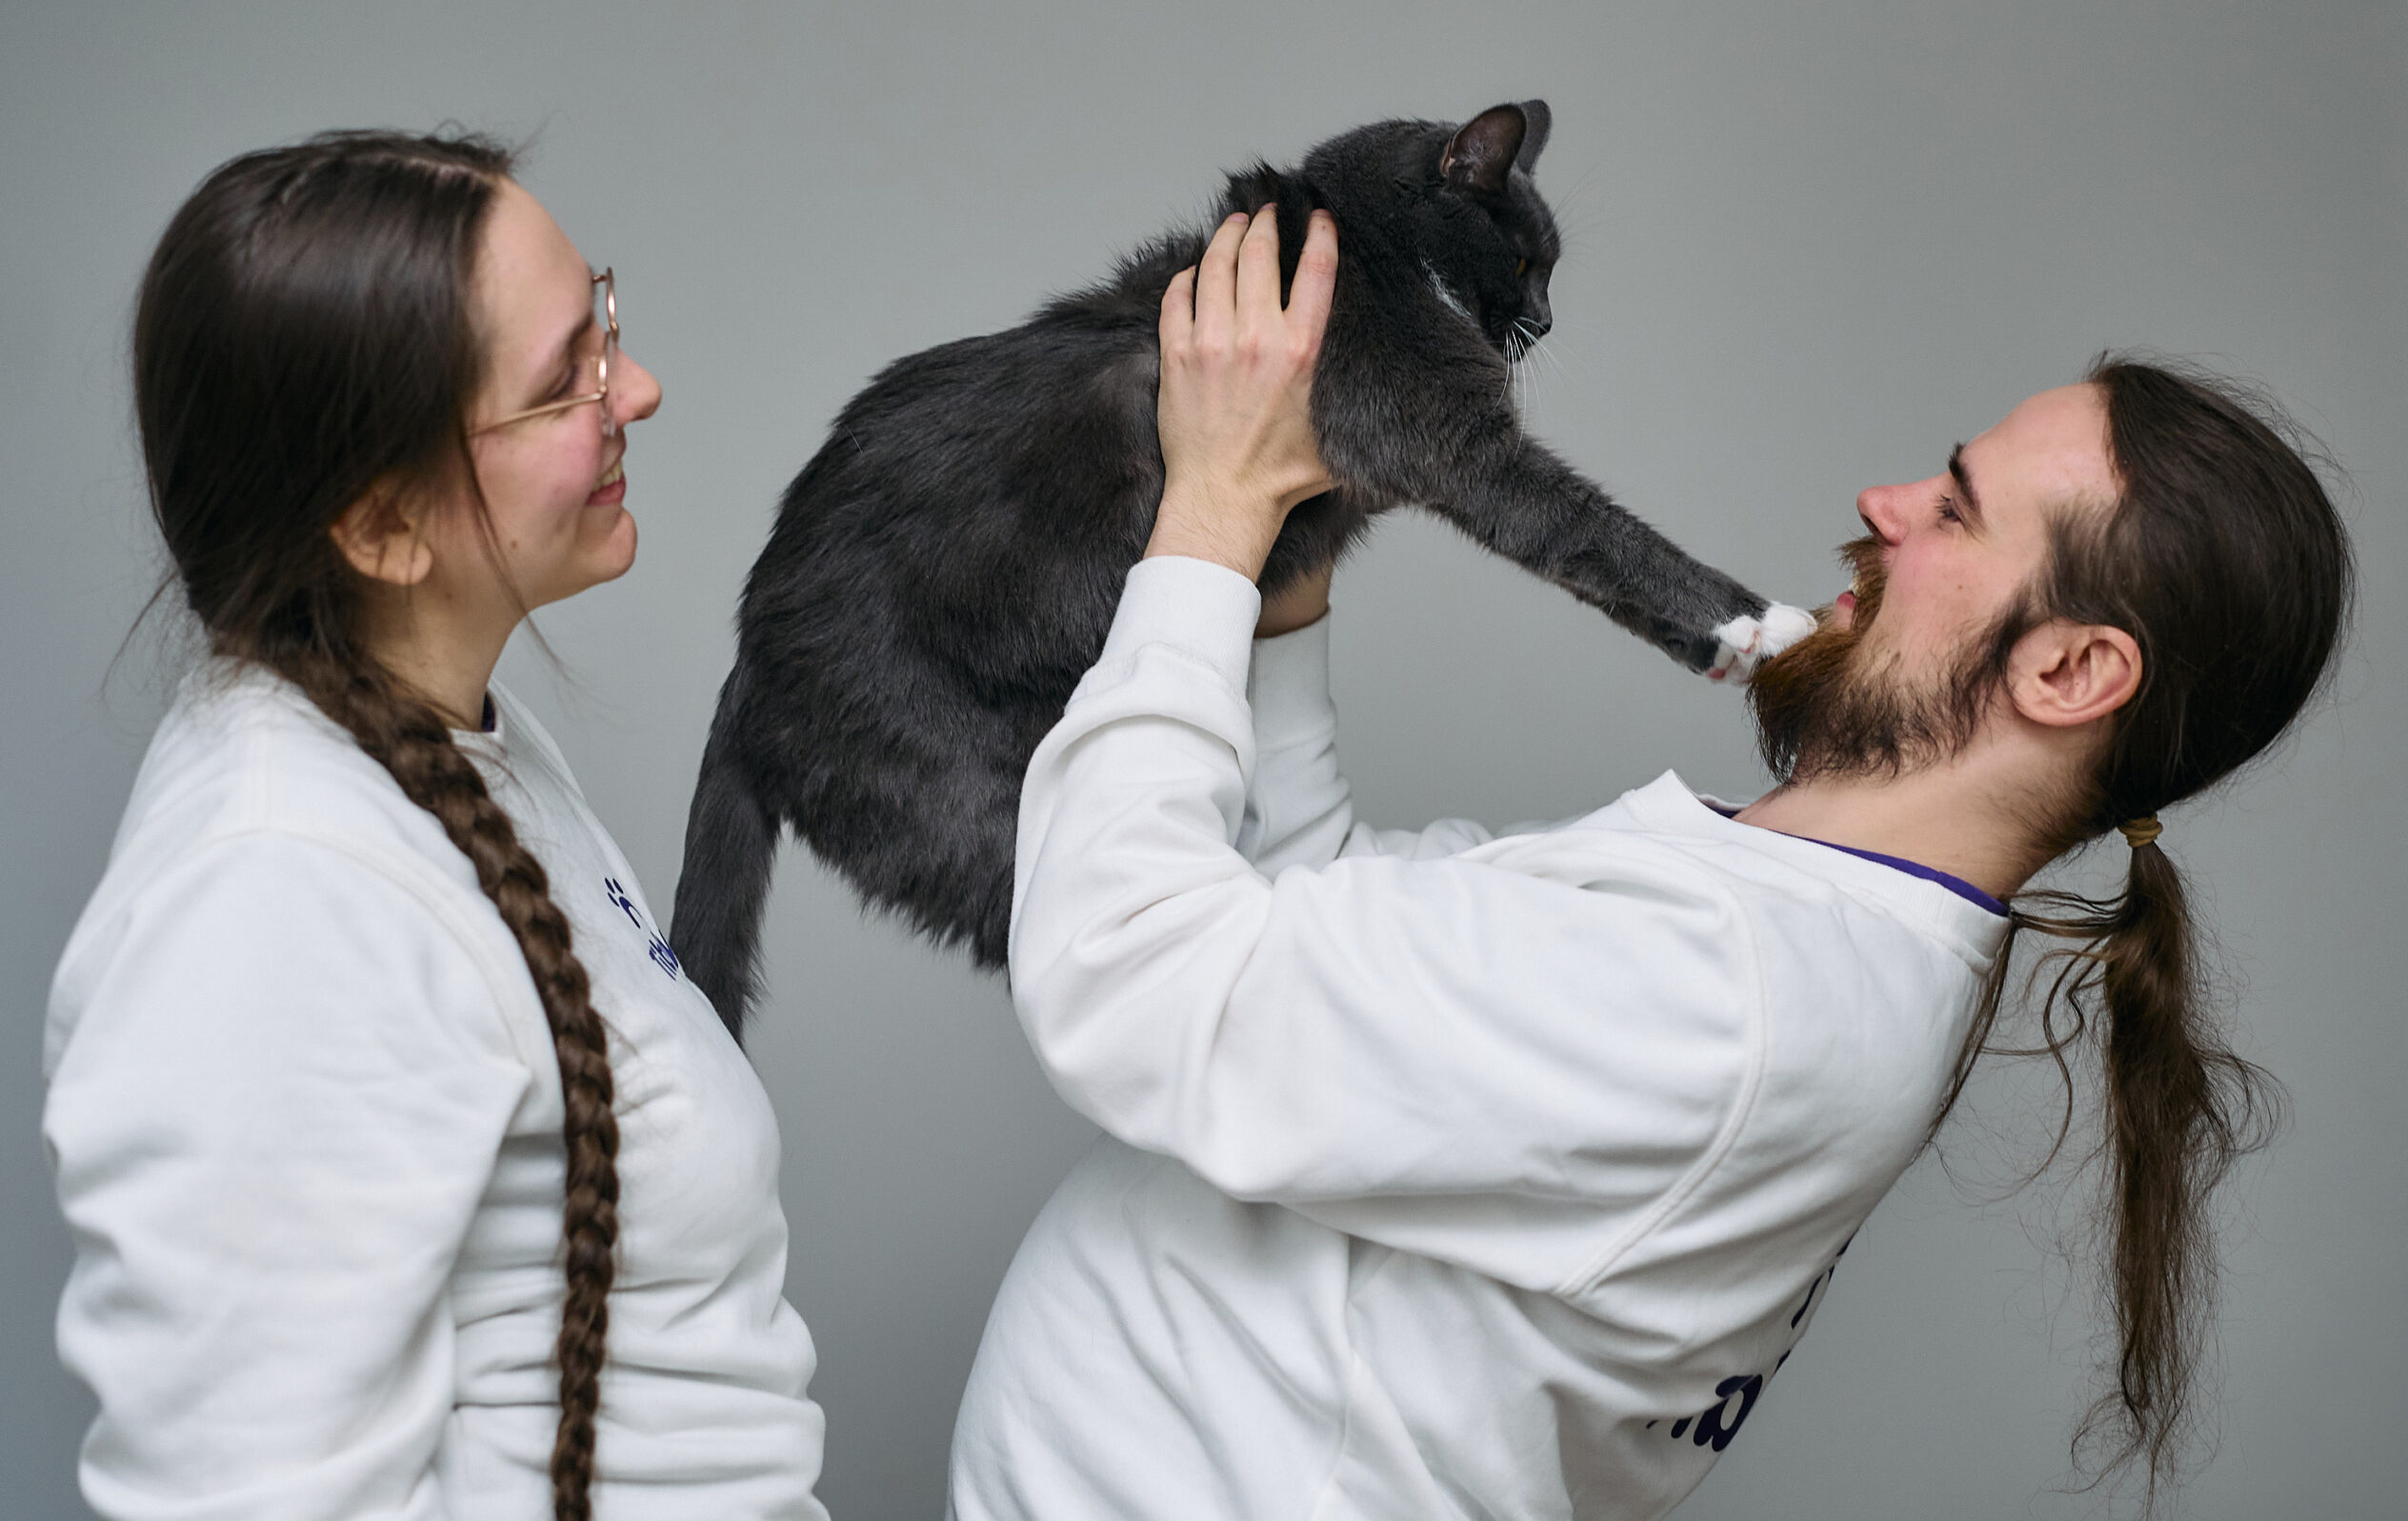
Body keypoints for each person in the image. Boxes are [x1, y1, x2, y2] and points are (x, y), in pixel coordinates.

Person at [947, 207, 2352, 1517]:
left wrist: (1210, 518)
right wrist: (1286, 583)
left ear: (2069, 668)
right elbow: (1321, 936)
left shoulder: (1734, 988)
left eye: (1960, 508)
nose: (1887, 499)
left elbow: (1131, 984)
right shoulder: (1783, 928)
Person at [43, 132, 827, 1521]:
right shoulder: (275, 893)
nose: (635, 388)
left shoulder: (446, 747)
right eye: (564, 383)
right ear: (383, 524)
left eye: (606, 326)